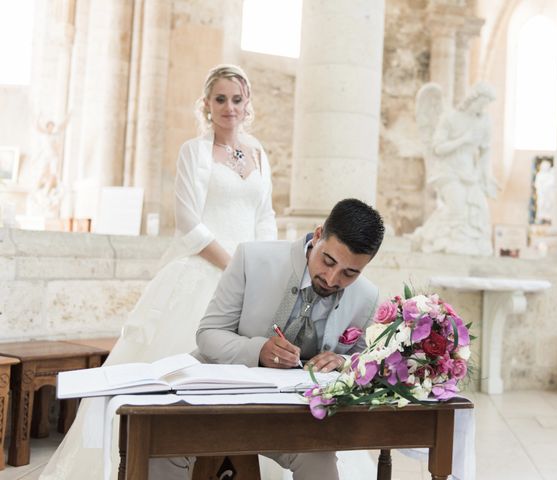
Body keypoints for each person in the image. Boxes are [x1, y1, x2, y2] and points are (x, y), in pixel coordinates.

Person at [40, 64, 278, 480]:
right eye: (220, 99)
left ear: (248, 103)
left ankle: (234, 464)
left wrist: (264, 267)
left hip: (250, 277)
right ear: (206, 105)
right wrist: (234, 268)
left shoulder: (258, 153)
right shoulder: (193, 151)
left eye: (236, 99)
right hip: (204, 270)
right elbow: (188, 222)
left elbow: (266, 216)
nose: (229, 107)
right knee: (178, 377)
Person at [183, 198, 385, 480]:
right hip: (214, 395)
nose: (331, 278)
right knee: (164, 447)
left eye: (349, 273)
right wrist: (258, 350)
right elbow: (208, 334)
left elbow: (365, 361)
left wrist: (342, 361)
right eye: (328, 261)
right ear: (317, 236)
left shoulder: (366, 297)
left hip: (287, 417)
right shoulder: (251, 258)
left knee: (319, 459)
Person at [411, 82, 497, 256]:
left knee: (480, 209)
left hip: (469, 172)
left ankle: (431, 237)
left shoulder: (485, 121)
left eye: (487, 103)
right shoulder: (450, 117)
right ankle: (443, 242)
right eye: (483, 102)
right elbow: (438, 148)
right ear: (474, 98)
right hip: (448, 170)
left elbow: (486, 150)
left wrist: (486, 175)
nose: (484, 107)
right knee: (456, 210)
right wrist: (463, 140)